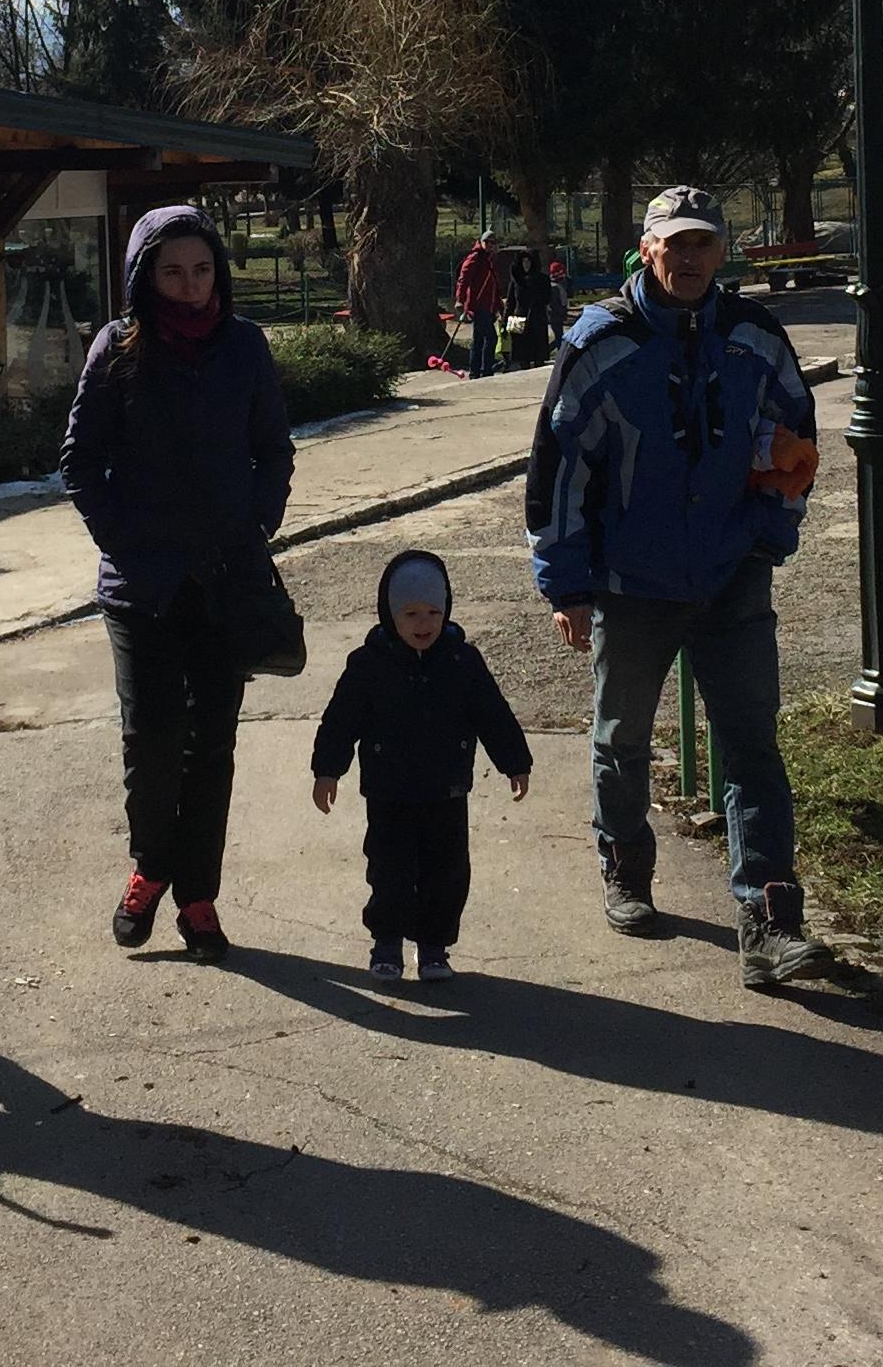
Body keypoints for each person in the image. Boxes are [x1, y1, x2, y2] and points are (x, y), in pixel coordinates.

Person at [527, 183, 828, 991]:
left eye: (703, 244)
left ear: (721, 252)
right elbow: (557, 469)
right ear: (647, 250)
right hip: (632, 582)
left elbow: (794, 436)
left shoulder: (754, 336)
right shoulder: (600, 343)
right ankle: (625, 866)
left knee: (752, 744)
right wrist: (567, 583)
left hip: (731, 574)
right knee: (620, 739)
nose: (689, 258)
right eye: (675, 244)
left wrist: (769, 536)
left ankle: (769, 920)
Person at [62, 204, 296, 960]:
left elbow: (274, 452)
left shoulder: (245, 347)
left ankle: (198, 896)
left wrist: (254, 526)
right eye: (172, 271)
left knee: (212, 746)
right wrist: (123, 541)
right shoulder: (117, 348)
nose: (190, 286)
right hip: (142, 588)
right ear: (144, 277)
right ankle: (150, 866)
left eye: (201, 269)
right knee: (152, 740)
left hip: (224, 583)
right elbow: (79, 462)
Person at [311, 551, 534, 982]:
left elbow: (493, 713)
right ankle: (387, 943)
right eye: (411, 613)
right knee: (389, 870)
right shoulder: (369, 664)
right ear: (390, 614)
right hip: (388, 790)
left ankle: (434, 947)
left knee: (446, 872)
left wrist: (514, 762)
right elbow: (340, 719)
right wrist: (327, 769)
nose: (423, 624)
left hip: (445, 789)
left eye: (434, 612)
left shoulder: (461, 661)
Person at [453, 231, 503, 378]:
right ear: (481, 242)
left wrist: (499, 306)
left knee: (479, 339)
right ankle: (486, 368)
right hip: (478, 306)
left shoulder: (489, 260)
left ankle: (475, 370)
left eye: (492, 243)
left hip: (488, 306)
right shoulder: (475, 258)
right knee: (491, 337)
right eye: (487, 242)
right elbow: (464, 280)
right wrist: (460, 300)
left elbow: (494, 286)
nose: (490, 245)